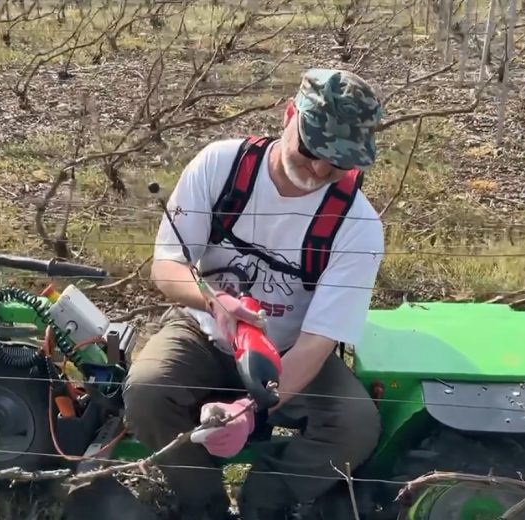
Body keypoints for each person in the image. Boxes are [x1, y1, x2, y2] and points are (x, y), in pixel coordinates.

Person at [122, 68, 386, 520]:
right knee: (147, 391)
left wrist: (249, 409)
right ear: (288, 115)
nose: (320, 169)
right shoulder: (220, 167)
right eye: (312, 149)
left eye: (338, 161)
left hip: (287, 351)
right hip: (204, 333)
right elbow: (166, 267)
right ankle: (201, 504)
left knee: (355, 426)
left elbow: (316, 344)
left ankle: (267, 502)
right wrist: (214, 301)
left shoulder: (357, 226)